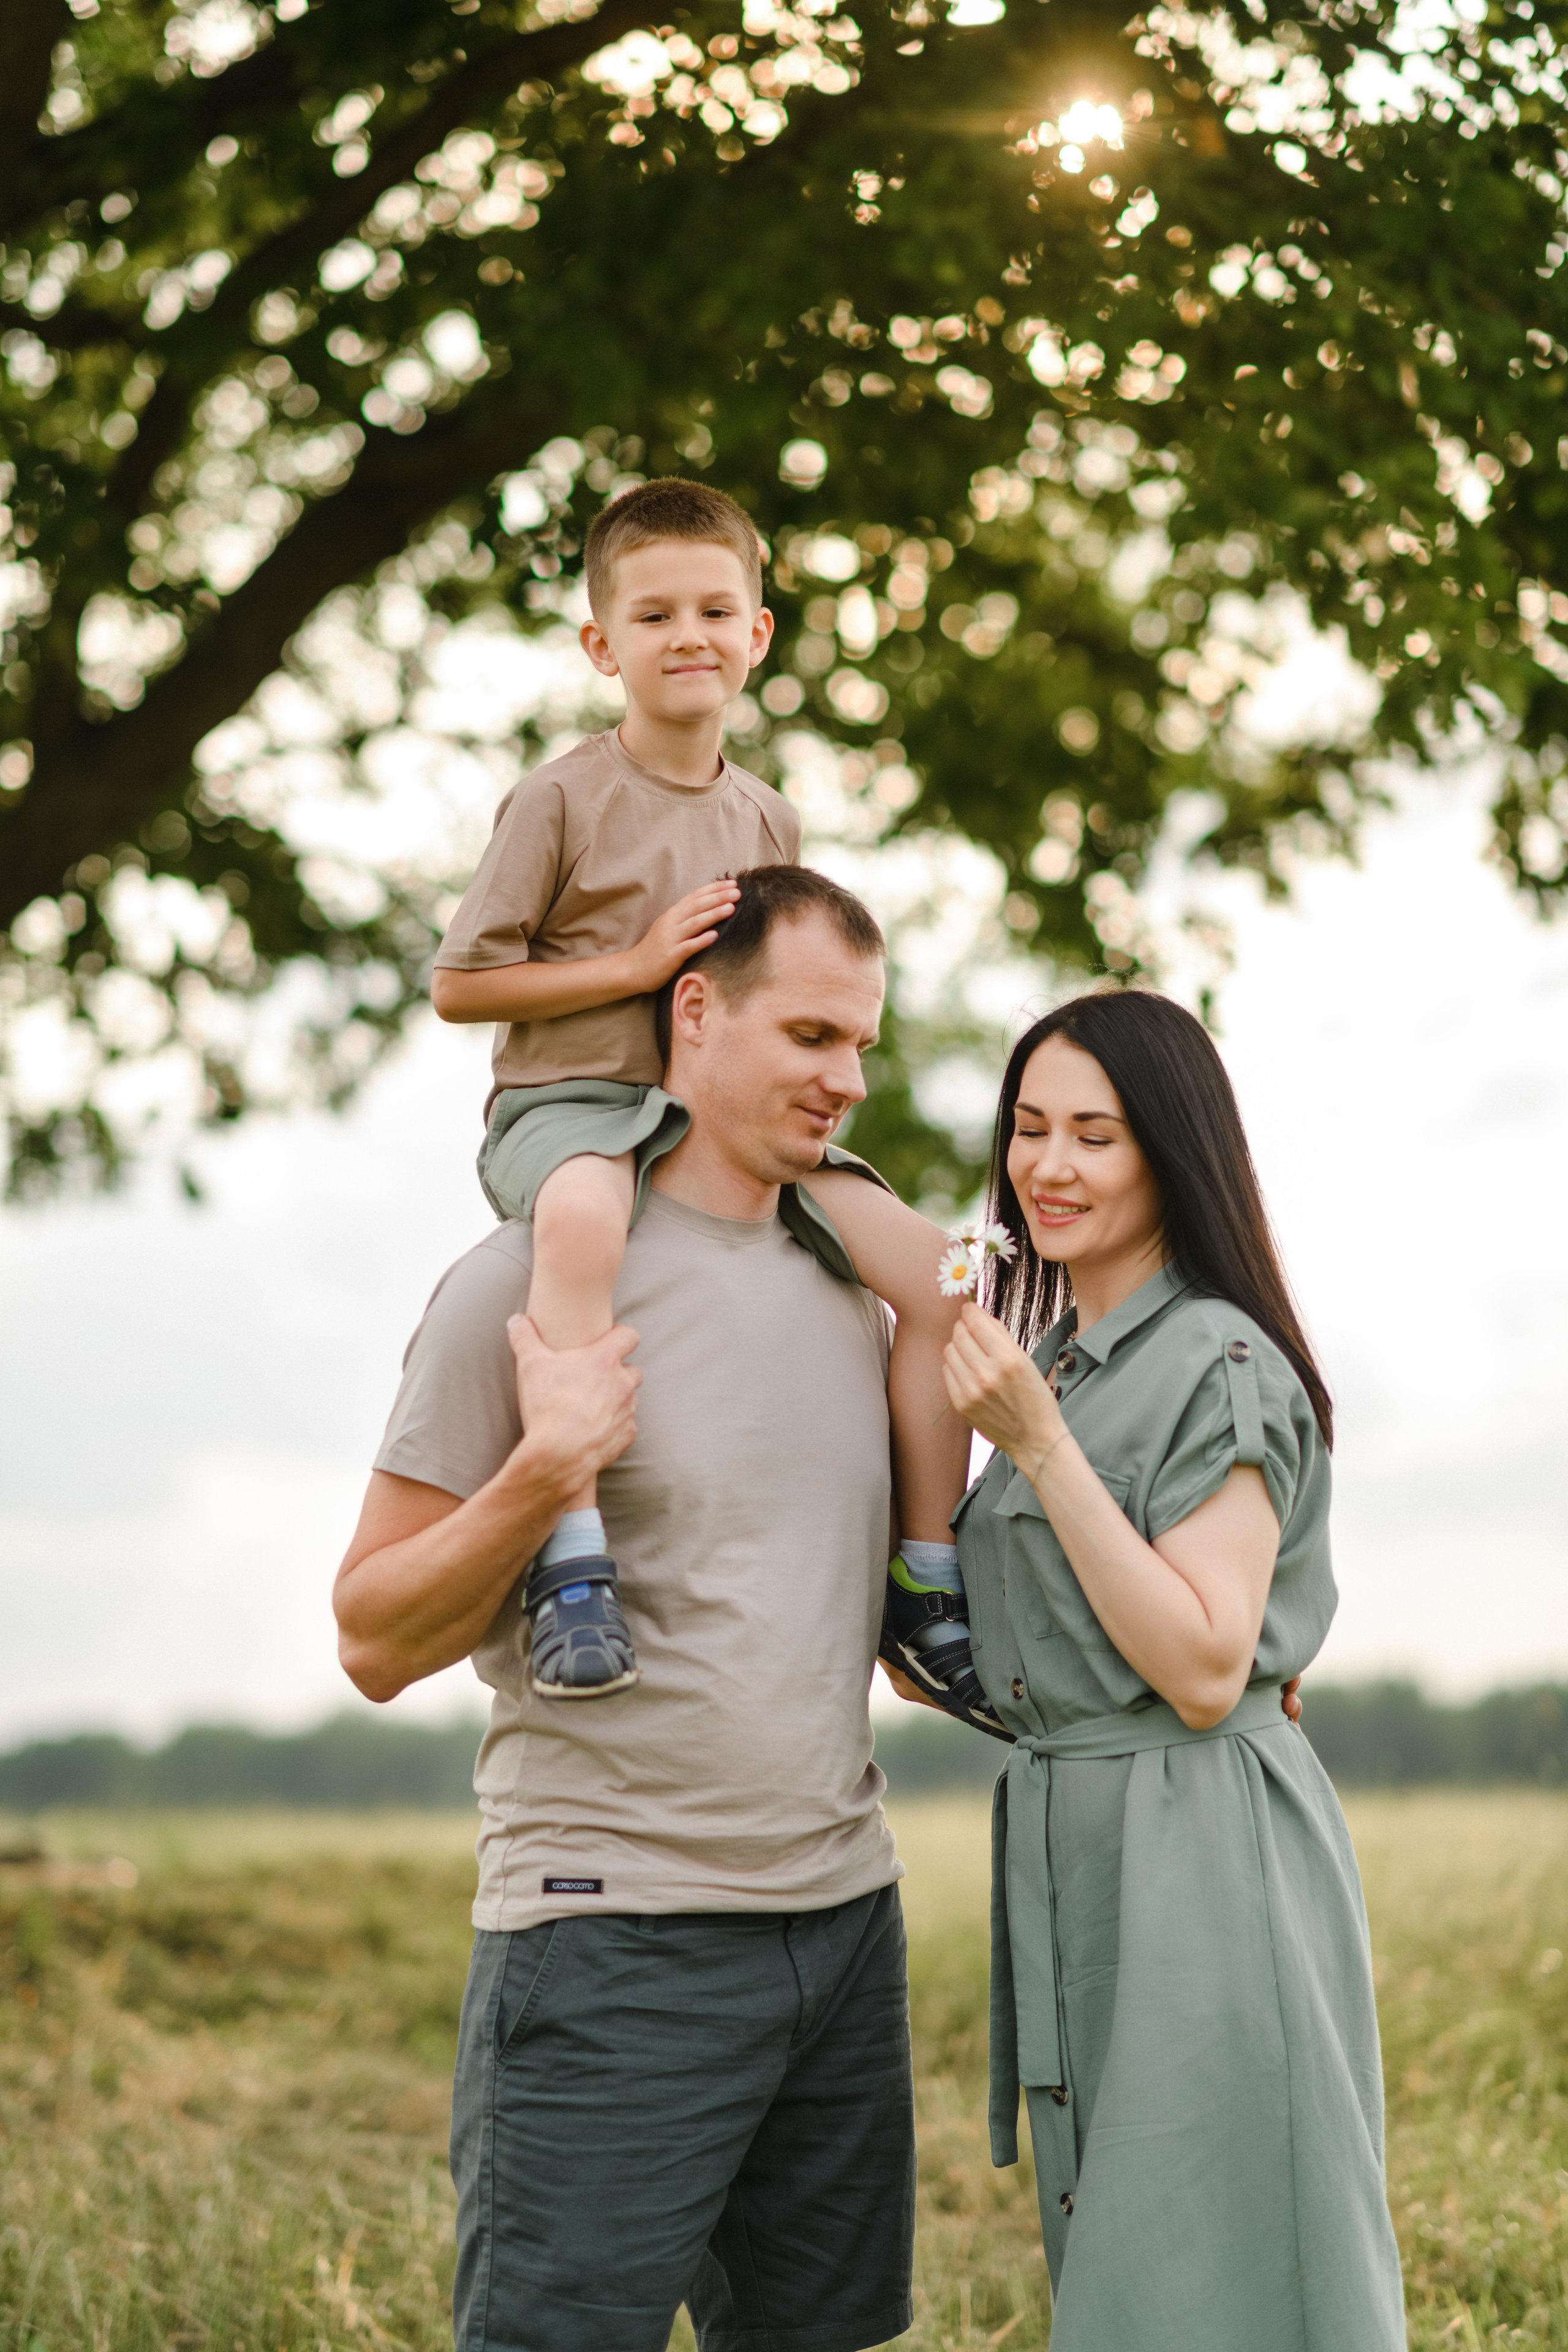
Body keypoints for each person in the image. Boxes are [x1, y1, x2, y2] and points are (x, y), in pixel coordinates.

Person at [334, 867, 948, 2352]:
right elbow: (372, 1636)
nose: (846, 1081)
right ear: (694, 1011)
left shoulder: (853, 1296)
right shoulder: (520, 1289)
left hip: (841, 1929)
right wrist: (544, 1471)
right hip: (610, 1943)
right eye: (810, 1035)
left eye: (860, 1044)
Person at [429, 477, 984, 1722]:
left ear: (758, 633)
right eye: (654, 615)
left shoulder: (767, 816)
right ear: (602, 645)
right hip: (573, 1105)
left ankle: (924, 1575)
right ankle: (572, 1560)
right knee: (583, 1225)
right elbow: (460, 985)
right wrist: (633, 968)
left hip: (722, 1120)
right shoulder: (561, 799)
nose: (688, 635)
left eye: (714, 611)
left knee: (946, 1274)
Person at [935, 987, 1406, 2351]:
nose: (1049, 1166)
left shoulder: (1215, 1360)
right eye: (1029, 1128)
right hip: (1082, 1846)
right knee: (1131, 2268)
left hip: (1198, 1854)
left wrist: (1036, 1447)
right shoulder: (1063, 1359)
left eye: (1095, 1135)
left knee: (1215, 2271)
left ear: (1171, 1154)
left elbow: (1203, 1667)